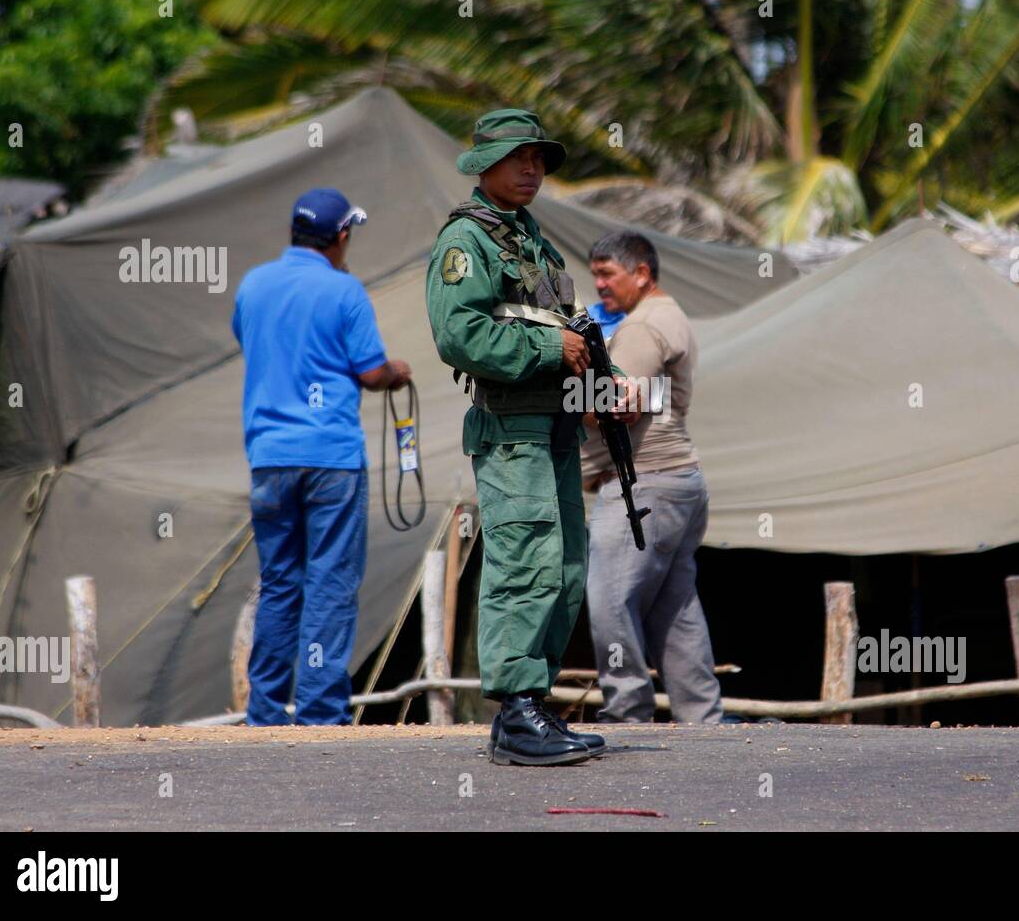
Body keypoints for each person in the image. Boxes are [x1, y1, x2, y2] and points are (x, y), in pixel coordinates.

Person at [425, 109, 637, 765]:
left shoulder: (531, 240)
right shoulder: (469, 241)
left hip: (556, 427)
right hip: (512, 430)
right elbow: (459, 333)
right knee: (526, 565)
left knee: (567, 568)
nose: (532, 169)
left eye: (539, 159)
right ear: (483, 164)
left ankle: (533, 705)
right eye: (519, 157)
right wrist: (554, 347)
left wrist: (610, 383)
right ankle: (515, 711)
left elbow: (569, 327)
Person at [233, 188, 410, 725]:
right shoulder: (344, 290)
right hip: (331, 458)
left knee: (280, 582)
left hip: (269, 458)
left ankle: (264, 711)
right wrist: (397, 373)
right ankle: (318, 714)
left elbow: (253, 344)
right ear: (340, 237)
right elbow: (370, 372)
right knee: (330, 582)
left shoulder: (253, 284)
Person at [582, 230, 723, 724]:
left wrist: (569, 384)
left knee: (609, 602)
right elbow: (646, 393)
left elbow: (608, 404)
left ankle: (626, 713)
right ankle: (701, 720)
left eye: (607, 274)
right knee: (674, 610)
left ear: (641, 274)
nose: (599, 284)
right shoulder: (671, 316)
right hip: (681, 482)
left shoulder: (641, 328)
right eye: (595, 273)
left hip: (642, 485)